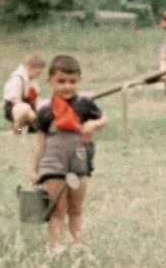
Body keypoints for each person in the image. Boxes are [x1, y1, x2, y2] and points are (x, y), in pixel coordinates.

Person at [27, 55, 107, 254]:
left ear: (79, 80)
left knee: (76, 209)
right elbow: (41, 141)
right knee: (57, 210)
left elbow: (105, 118)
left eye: (72, 81)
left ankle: (79, 245)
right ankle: (56, 248)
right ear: (50, 81)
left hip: (78, 166)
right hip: (53, 166)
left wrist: (94, 124)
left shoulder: (85, 105)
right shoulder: (46, 111)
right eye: (61, 81)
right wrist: (34, 169)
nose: (67, 86)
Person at [2, 51, 46, 134]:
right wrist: (31, 113)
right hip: (14, 107)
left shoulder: (32, 80)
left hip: (28, 105)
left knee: (43, 109)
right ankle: (17, 131)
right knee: (26, 111)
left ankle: (33, 129)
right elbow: (14, 99)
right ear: (30, 68)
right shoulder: (18, 78)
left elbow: (35, 97)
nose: (39, 75)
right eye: (38, 73)